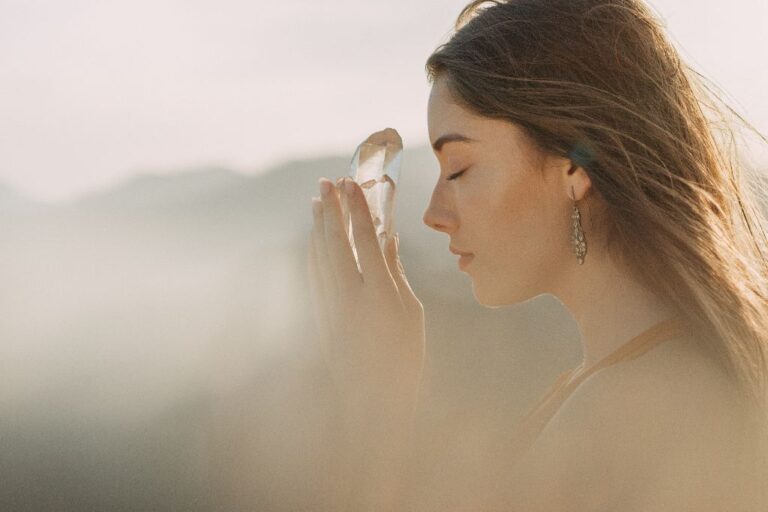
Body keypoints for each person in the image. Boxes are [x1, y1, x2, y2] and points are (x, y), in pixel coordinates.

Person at [307, 0, 768, 510]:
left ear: (575, 166)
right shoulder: (614, 378)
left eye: (458, 169)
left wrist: (380, 407)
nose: (434, 214)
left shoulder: (639, 411)